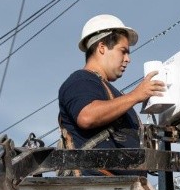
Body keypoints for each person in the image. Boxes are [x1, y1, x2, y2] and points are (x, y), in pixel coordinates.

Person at [58, 14, 165, 175]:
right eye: (123, 51)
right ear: (102, 47)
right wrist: (135, 95)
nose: (128, 59)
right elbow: (87, 116)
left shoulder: (113, 94)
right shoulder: (81, 80)